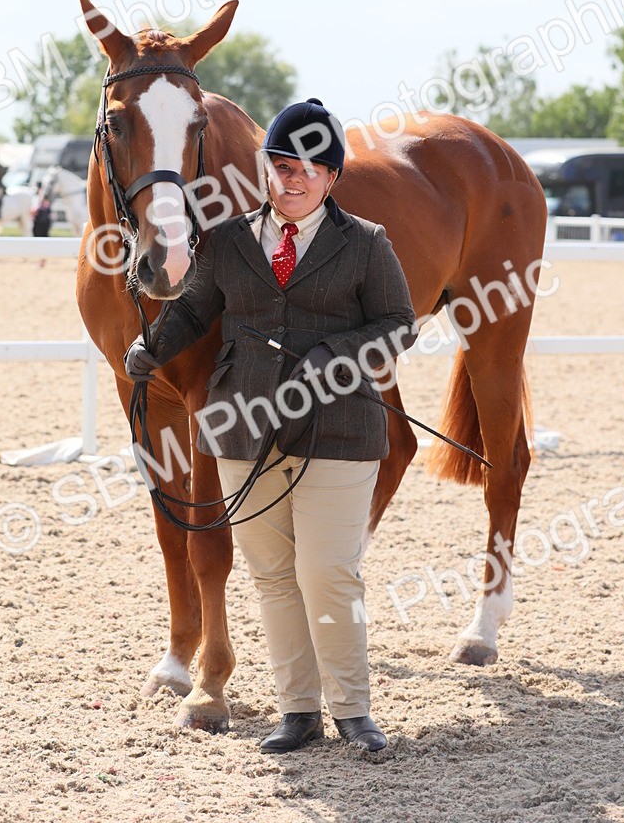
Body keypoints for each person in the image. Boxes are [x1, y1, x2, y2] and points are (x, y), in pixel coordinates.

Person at [125, 98, 417, 754]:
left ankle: (354, 711)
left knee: (330, 573)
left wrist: (335, 354)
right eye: (281, 165)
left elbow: (397, 326)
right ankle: (299, 712)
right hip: (245, 431)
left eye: (308, 169)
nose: (293, 179)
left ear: (331, 178)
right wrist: (153, 347)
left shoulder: (367, 244)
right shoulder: (228, 242)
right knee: (274, 575)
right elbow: (194, 311)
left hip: (339, 433)